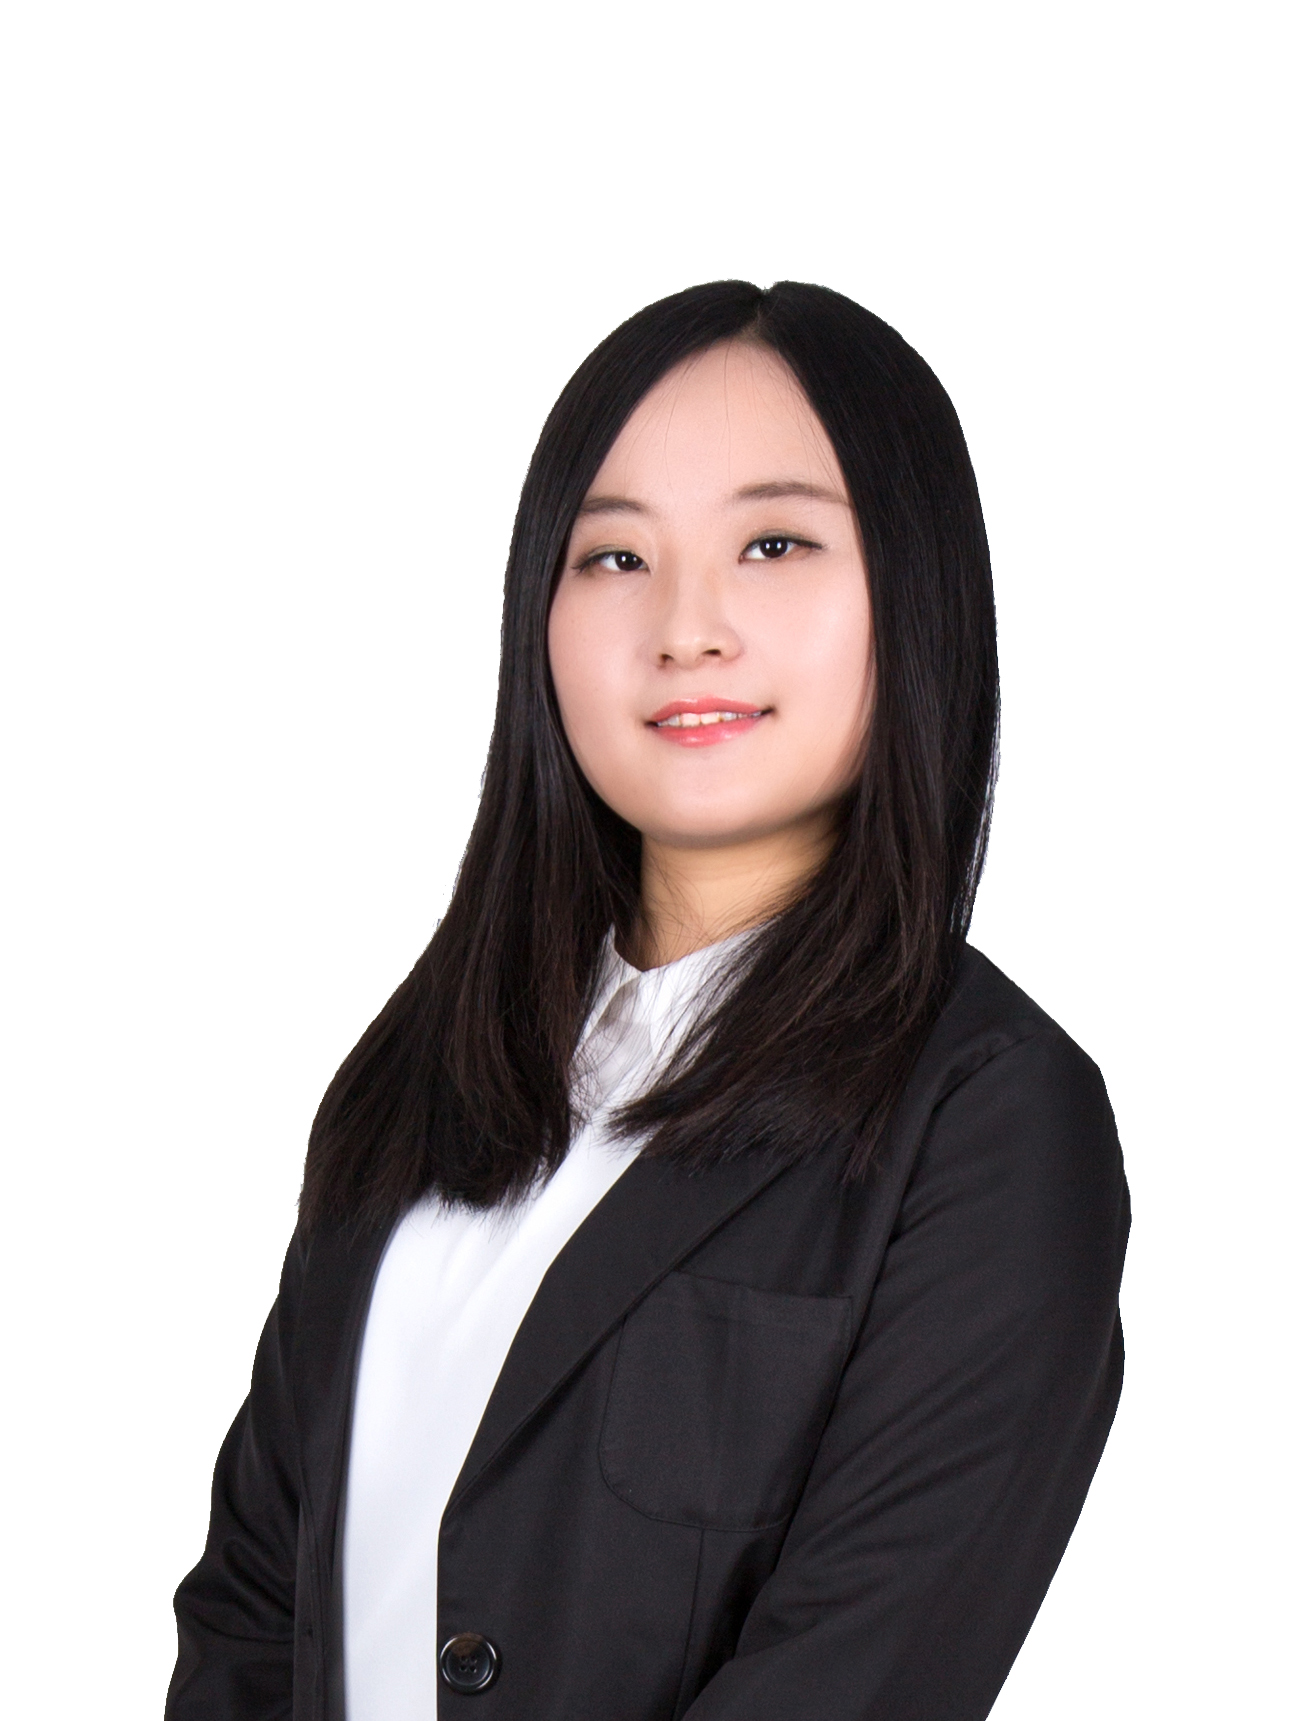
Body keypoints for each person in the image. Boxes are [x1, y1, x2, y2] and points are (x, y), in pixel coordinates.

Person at [166, 280, 1129, 1721]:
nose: (686, 626)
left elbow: (854, 1678)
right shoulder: (427, 1063)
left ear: (915, 589)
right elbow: (256, 1602)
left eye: (774, 543)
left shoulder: (989, 1119)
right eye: (614, 555)